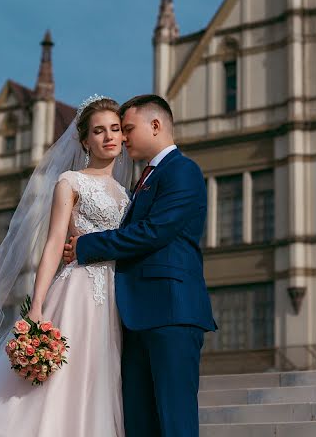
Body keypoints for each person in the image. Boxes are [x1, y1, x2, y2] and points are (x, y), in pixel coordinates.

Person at [0, 95, 132, 437]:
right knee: (65, 380)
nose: (109, 137)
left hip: (116, 294)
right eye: (99, 131)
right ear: (85, 140)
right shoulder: (70, 182)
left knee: (100, 378)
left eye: (115, 129)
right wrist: (38, 305)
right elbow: (55, 242)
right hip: (80, 291)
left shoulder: (125, 192)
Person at [64, 94, 216, 437]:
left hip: (171, 312)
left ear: (156, 125)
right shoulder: (144, 179)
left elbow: (154, 231)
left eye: (128, 128)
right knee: (139, 422)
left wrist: (88, 245)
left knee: (174, 420)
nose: (123, 137)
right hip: (136, 316)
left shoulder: (182, 170)